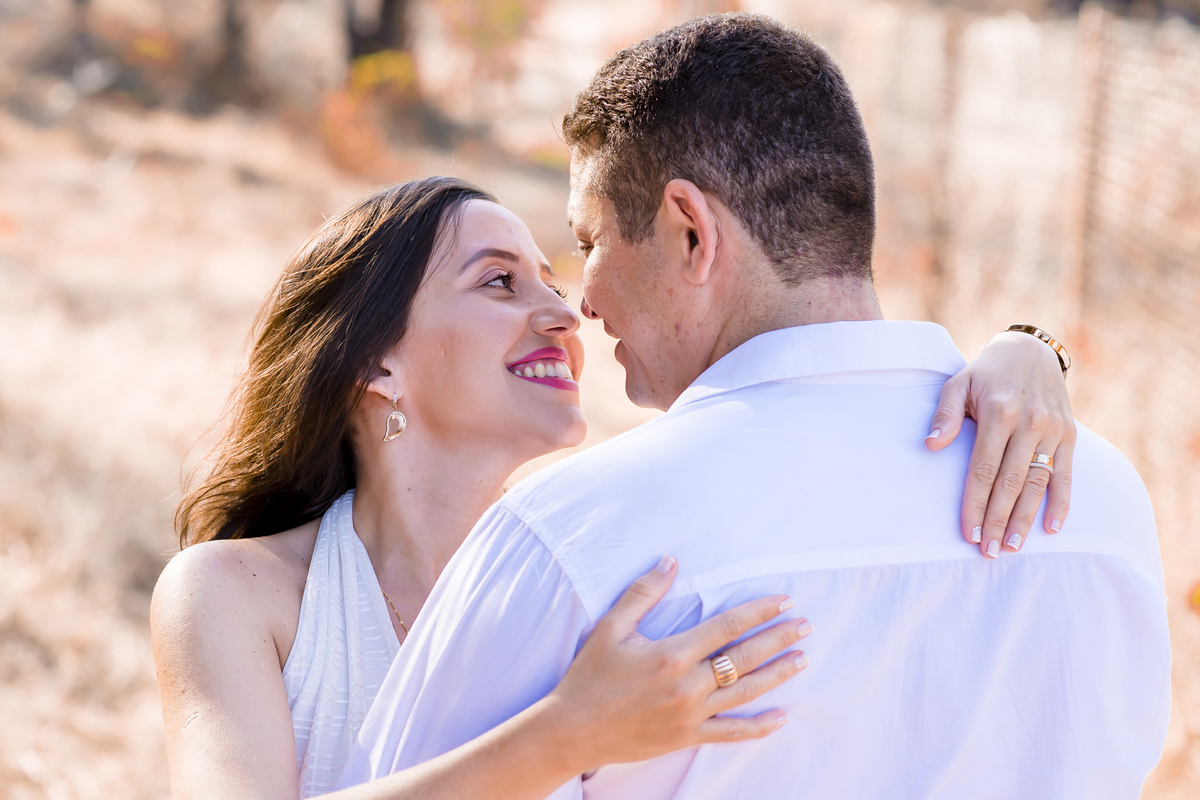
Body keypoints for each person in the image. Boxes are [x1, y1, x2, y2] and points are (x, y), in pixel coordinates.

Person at [336, 14, 1170, 800]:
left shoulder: (577, 541)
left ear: (690, 232)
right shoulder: (1102, 508)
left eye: (589, 243)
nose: (579, 302)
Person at [153, 168, 1074, 798]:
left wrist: (1026, 352)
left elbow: (830, 431)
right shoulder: (233, 595)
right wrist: (567, 733)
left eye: (552, 283)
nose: (565, 315)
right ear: (376, 364)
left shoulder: (595, 575)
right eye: (500, 282)